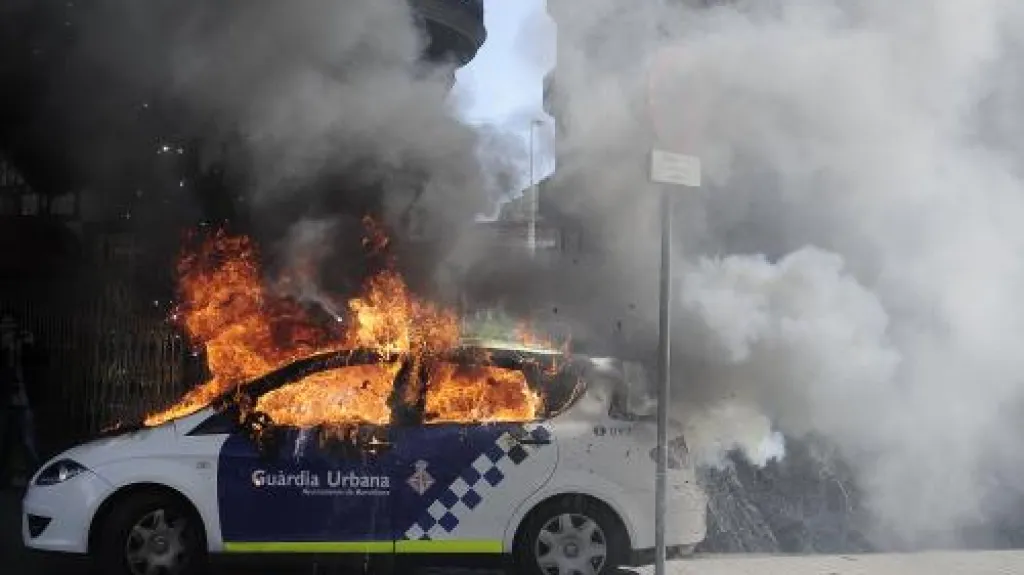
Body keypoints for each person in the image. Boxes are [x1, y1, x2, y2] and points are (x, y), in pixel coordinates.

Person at [0, 314, 41, 487]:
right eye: (4, 326)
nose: (8, 330)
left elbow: (38, 367)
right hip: (4, 401)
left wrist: (29, 347)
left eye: (11, 326)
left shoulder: (24, 346)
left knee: (29, 443)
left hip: (24, 402)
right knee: (4, 442)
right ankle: (3, 478)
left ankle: (35, 479)